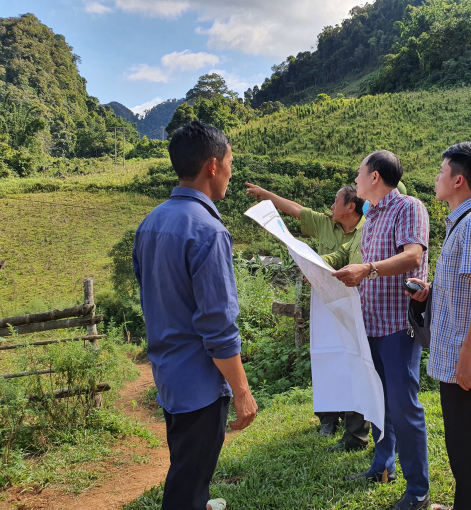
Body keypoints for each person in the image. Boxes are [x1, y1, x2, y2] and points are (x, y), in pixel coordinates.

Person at [133, 121, 258, 510]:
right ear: (212, 166)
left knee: (186, 466)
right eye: (230, 162)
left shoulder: (151, 222)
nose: (231, 172)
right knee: (187, 482)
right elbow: (218, 326)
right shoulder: (208, 230)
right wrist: (241, 390)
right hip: (201, 384)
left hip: (169, 374)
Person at [407, 142, 471, 510]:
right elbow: (470, 288)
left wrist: (468, 355)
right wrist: (432, 291)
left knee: (469, 452)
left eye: (441, 171)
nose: (436, 177)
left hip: (470, 360)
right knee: (462, 449)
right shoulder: (463, 223)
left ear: (459, 180)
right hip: (460, 354)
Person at [333, 150, 431, 510]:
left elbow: (412, 257)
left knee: (404, 406)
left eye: (359, 173)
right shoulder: (371, 215)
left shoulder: (408, 207)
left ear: (375, 176)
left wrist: (367, 269)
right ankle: (382, 466)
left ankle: (418, 490)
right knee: (378, 399)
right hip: (371, 322)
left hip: (397, 325)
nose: (355, 179)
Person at [243, 182, 370, 451]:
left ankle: (354, 424)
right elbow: (298, 211)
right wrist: (267, 196)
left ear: (350, 206)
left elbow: (345, 259)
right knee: (325, 358)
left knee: (350, 363)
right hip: (325, 307)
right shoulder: (326, 223)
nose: (331, 206)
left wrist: (322, 262)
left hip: (353, 308)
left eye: (336, 202)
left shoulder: (367, 231)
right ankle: (327, 418)